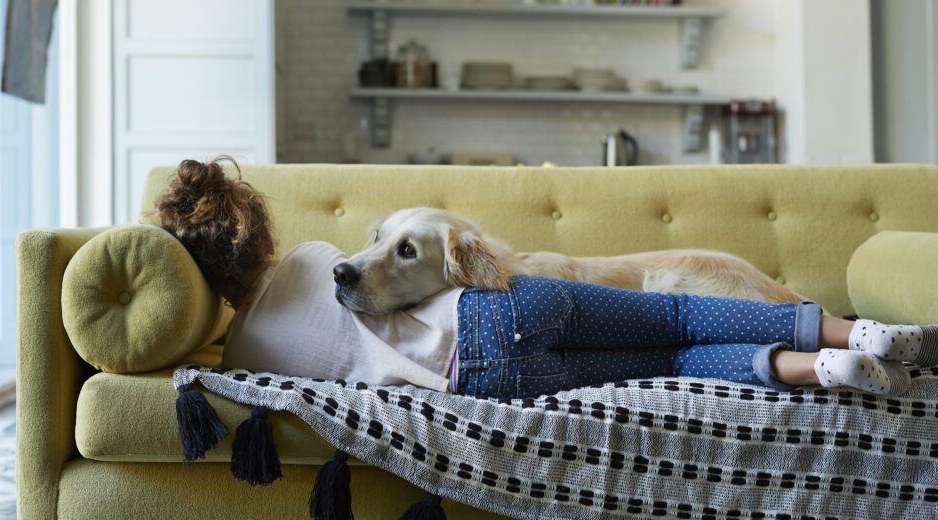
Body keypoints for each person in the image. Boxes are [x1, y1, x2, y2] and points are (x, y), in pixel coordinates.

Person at [157, 157, 937, 399]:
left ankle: (822, 370)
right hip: (509, 310)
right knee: (675, 322)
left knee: (674, 366)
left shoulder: (245, 357)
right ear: (260, 230)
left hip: (492, 389)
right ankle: (849, 333)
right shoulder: (317, 262)